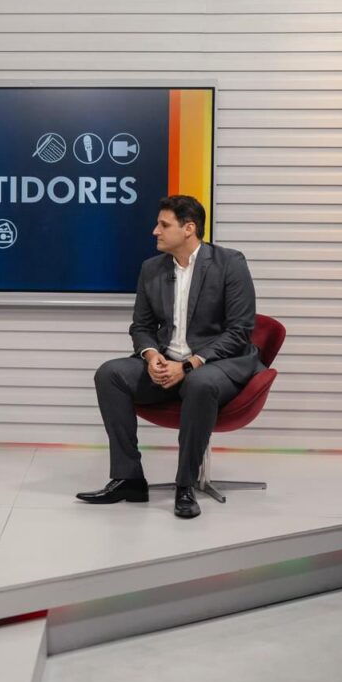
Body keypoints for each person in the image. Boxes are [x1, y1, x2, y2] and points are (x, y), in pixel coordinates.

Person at [77, 195, 261, 519]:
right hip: (168, 361)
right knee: (110, 374)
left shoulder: (230, 263)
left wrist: (188, 365)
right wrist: (151, 357)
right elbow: (142, 327)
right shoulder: (151, 269)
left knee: (199, 384)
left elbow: (239, 331)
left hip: (215, 364)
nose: (155, 231)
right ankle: (129, 478)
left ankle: (185, 485)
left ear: (189, 229)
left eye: (164, 225)